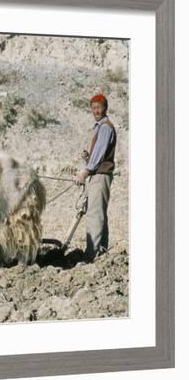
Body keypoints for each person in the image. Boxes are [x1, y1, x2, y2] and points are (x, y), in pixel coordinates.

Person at [75, 93, 116, 261]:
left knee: (94, 214)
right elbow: (97, 153)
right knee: (99, 213)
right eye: (93, 108)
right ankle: (101, 252)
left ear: (104, 108)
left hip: (100, 174)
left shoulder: (105, 127)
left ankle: (91, 255)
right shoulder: (99, 127)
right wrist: (88, 157)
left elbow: (99, 154)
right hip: (99, 174)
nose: (96, 111)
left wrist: (85, 171)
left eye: (99, 108)